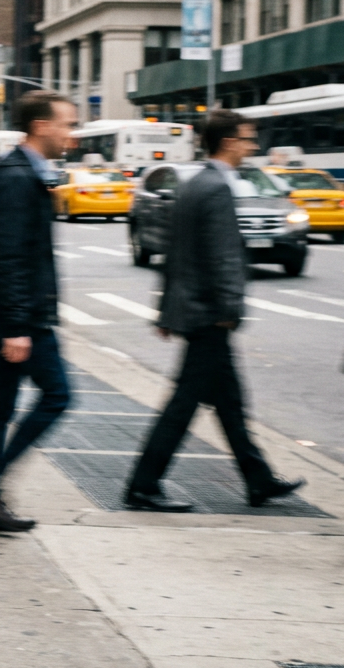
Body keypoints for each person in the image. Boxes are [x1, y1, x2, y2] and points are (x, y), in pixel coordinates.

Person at [125, 110, 305, 512]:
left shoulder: (195, 183)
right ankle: (142, 485)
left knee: (230, 404)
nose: (252, 145)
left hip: (194, 311)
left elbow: (175, 254)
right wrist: (230, 309)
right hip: (209, 315)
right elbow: (223, 258)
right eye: (247, 138)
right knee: (184, 404)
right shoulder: (217, 189)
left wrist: (165, 311)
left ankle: (257, 480)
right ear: (228, 142)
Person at [0, 90, 76, 532]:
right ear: (41, 126)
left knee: (0, 405)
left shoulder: (28, 174)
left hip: (19, 314)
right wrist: (15, 327)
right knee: (57, 395)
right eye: (67, 124)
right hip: (20, 318)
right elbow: (6, 256)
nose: (72, 134)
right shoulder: (16, 178)